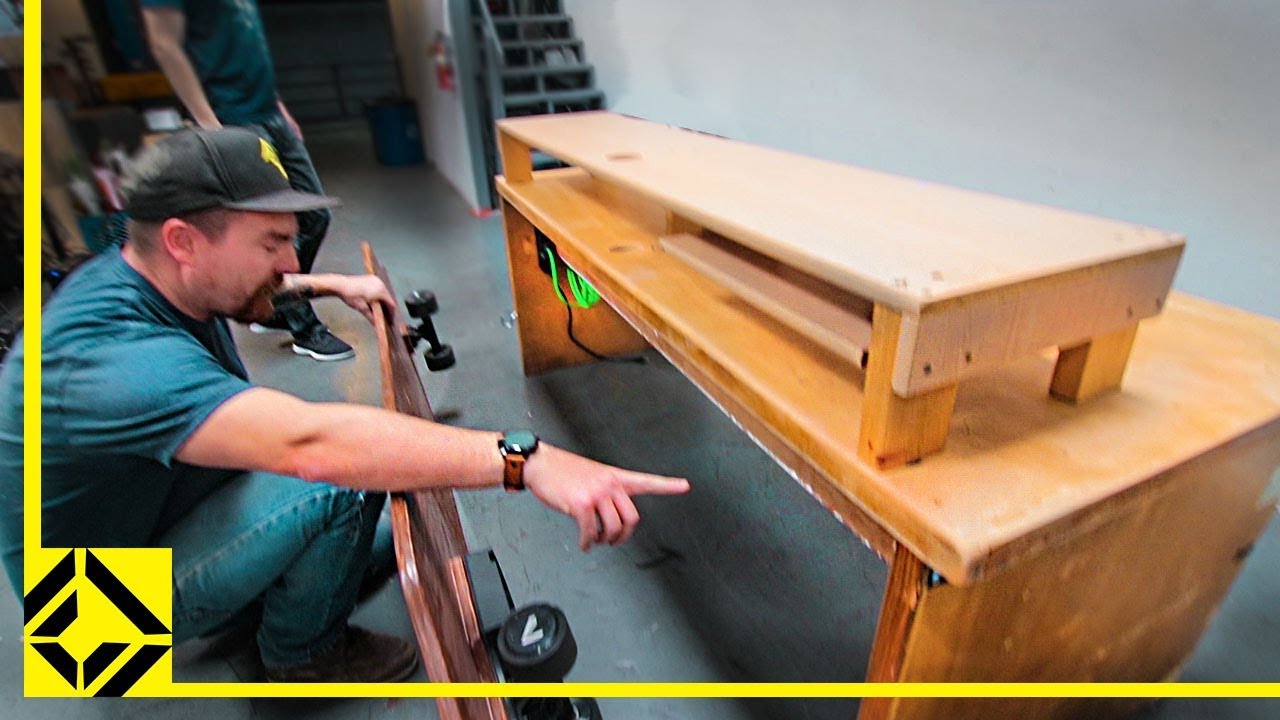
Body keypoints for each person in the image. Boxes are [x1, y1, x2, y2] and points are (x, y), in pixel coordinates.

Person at [0, 128, 690, 682]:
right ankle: (299, 657)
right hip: (90, 626)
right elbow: (312, 446)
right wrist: (524, 458)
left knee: (400, 515)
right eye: (271, 243)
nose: (286, 262)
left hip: (159, 526)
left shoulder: (147, 275)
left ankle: (253, 595)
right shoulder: (100, 357)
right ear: (183, 240)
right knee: (344, 480)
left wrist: (323, 283)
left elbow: (239, 291)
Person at [141, 0, 353, 361]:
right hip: (231, 118)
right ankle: (304, 328)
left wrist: (279, 108)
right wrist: (210, 125)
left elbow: (249, 46)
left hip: (269, 113)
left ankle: (273, 303)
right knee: (272, 234)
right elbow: (164, 43)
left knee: (316, 215)